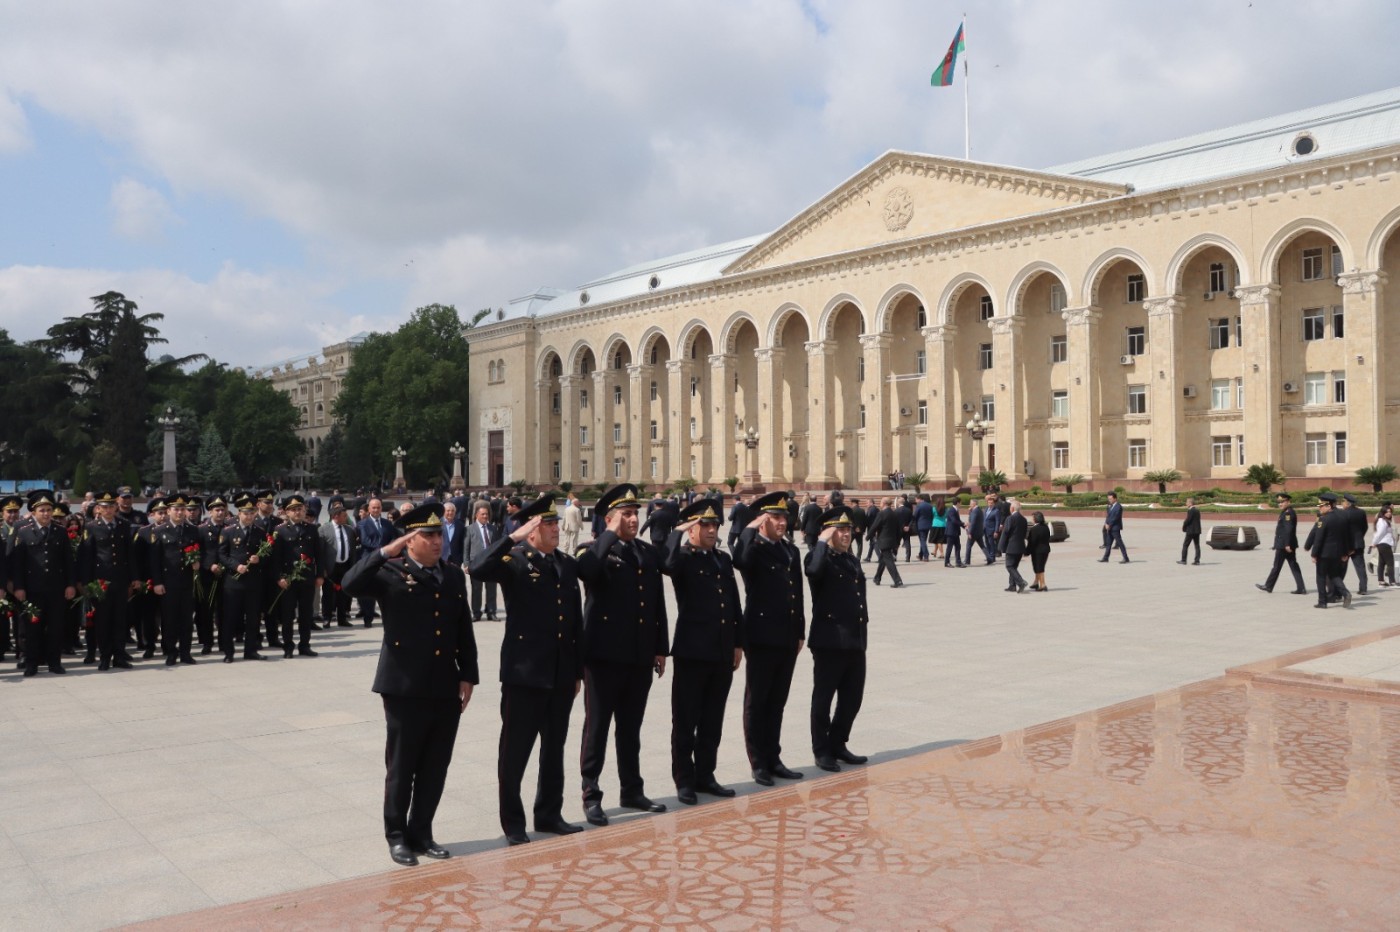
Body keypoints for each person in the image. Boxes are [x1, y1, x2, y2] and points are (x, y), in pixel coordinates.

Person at [342, 502, 479, 867]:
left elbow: (463, 628)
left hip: (444, 684)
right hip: (403, 685)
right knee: (403, 765)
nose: (438, 542)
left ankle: (422, 831)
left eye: (439, 535)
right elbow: (349, 583)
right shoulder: (390, 572)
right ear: (411, 540)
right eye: (429, 536)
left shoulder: (451, 576)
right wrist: (384, 550)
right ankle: (397, 835)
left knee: (436, 764)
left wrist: (468, 673)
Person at [469, 494, 584, 847]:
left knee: (554, 750)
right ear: (532, 531)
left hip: (560, 674)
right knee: (515, 752)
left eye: (554, 523)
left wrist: (576, 670)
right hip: (525, 674)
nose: (555, 529)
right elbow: (477, 568)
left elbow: (574, 621)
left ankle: (549, 813)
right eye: (547, 524)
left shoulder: (565, 564)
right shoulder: (516, 561)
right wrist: (511, 538)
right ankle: (513, 823)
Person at [575, 483, 670, 827]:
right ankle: (591, 793)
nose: (634, 519)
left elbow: (657, 603)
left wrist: (660, 647)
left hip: (638, 656)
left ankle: (632, 788)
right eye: (626, 514)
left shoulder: (645, 553)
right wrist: (608, 536)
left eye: (635, 513)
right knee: (597, 728)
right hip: (603, 658)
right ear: (610, 518)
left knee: (630, 728)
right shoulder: (594, 549)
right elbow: (586, 573)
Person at [662, 498, 743, 806]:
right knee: (685, 720)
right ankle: (684, 780)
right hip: (692, 652)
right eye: (705, 525)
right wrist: (676, 533)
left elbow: (734, 603)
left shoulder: (721, 559)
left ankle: (705, 775)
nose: (711, 530)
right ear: (692, 528)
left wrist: (738, 643)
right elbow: (665, 564)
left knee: (712, 719)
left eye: (714, 525)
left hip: (722, 650)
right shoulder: (683, 558)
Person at [731, 492, 805, 787]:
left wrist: (800, 630)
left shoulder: (790, 551)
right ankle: (758, 761)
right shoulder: (755, 548)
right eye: (775, 517)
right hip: (761, 636)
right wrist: (750, 528)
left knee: (777, 701)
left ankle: (774, 757)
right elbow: (739, 559)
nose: (782, 522)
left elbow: (797, 594)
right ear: (762, 521)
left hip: (787, 636)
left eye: (784, 517)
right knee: (757, 701)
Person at [805, 505, 868, 773]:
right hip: (829, 641)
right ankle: (822, 751)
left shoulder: (851, 560)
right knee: (823, 699)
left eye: (848, 529)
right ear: (828, 531)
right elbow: (813, 571)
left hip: (855, 640)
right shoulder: (818, 558)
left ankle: (838, 742)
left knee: (852, 699)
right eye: (839, 529)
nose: (846, 534)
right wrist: (820, 541)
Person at [11, 489, 77, 676]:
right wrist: (19, 587)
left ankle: (54, 663)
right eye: (42, 510)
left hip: (56, 589)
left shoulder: (60, 531)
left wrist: (71, 584)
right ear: (33, 512)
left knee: (56, 628)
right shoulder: (23, 532)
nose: (46, 514)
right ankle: (31, 664)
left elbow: (68, 562)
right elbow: (17, 564)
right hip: (32, 590)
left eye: (49, 510)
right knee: (33, 628)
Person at [150, 493, 202, 666]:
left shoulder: (193, 530)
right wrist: (157, 582)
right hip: (168, 582)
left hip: (187, 582)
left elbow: (200, 552)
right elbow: (155, 560)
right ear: (169, 511)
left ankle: (186, 652)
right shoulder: (159, 531)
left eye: (182, 509)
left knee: (187, 619)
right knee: (169, 619)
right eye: (176, 509)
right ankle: (171, 651)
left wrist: (197, 563)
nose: (180, 513)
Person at [220, 494, 270, 661]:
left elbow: (267, 555)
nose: (249, 516)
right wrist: (236, 566)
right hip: (233, 582)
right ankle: (229, 652)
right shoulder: (228, 531)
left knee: (253, 618)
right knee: (231, 618)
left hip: (253, 582)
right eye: (245, 513)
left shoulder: (260, 532)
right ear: (239, 514)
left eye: (252, 513)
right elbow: (222, 555)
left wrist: (259, 559)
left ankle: (251, 650)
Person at [272, 494, 323, 658]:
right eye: (293, 510)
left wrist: (320, 575)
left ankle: (304, 645)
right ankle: (288, 646)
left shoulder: (312, 529)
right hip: (288, 580)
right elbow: (276, 558)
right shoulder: (280, 530)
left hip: (307, 579)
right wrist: (279, 577)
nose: (298, 513)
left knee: (306, 614)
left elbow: (319, 555)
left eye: (300, 509)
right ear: (287, 512)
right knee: (287, 615)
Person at [317, 502, 360, 627]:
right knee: (328, 594)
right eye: (344, 515)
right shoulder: (323, 529)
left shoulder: (349, 529)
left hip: (345, 566)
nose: (346, 518)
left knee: (343, 593)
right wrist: (322, 569)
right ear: (336, 516)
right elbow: (320, 551)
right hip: (330, 568)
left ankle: (342, 618)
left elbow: (352, 549)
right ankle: (327, 618)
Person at [1257, 492, 1308, 596]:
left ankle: (1268, 586)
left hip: (1285, 545)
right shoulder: (1286, 512)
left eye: (1282, 502)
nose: (1280, 504)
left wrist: (1287, 544)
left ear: (1288, 502)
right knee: (1294, 565)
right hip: (1286, 543)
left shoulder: (1288, 513)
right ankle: (1301, 588)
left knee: (1277, 566)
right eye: (1279, 502)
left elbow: (1288, 530)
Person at [355, 497, 396, 627]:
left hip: (386, 561)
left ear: (381, 508)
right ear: (369, 509)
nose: (376, 510)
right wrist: (382, 549)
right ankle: (368, 616)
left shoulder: (387, 524)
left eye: (378, 507)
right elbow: (365, 541)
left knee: (386, 589)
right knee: (369, 590)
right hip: (369, 560)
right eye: (373, 507)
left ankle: (388, 617)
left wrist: (388, 550)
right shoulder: (362, 524)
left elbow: (393, 539)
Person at [1308, 494, 1351, 609]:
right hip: (1337, 553)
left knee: (1321, 577)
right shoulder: (1342, 517)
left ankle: (1322, 601)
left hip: (1324, 554)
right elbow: (1346, 536)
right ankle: (1345, 593)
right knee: (1334, 575)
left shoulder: (1324, 519)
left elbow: (1319, 538)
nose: (1319, 508)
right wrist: (1345, 553)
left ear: (1328, 506)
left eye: (1321, 505)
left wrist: (1314, 553)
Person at [463, 503, 500, 621]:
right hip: (476, 564)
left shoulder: (493, 528)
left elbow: (496, 546)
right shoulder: (469, 529)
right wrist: (466, 564)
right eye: (483, 514)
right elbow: (466, 548)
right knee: (476, 589)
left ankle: (491, 612)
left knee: (491, 589)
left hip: (491, 564)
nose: (485, 516)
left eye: (487, 514)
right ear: (476, 515)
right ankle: (476, 613)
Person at [868, 497, 904, 588]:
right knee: (883, 559)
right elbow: (899, 529)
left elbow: (875, 526)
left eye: (880, 502)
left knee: (889, 561)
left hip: (884, 541)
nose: (879, 504)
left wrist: (868, 536)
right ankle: (877, 578)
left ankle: (897, 580)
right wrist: (898, 542)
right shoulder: (894, 513)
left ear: (883, 503)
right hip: (892, 541)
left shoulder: (881, 514)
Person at [1340, 493, 1368, 594]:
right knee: (1360, 567)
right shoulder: (1361, 512)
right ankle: (1363, 588)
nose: (1342, 504)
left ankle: (1339, 588)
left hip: (1347, 545)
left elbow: (1343, 531)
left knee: (1342, 568)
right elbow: (1365, 527)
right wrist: (1359, 537)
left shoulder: (1343, 513)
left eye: (1343, 502)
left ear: (1347, 503)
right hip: (1359, 543)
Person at [999, 500, 1030, 593]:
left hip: (1011, 547)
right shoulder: (1024, 519)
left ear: (1012, 509)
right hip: (1020, 546)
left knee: (1009, 566)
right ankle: (1012, 586)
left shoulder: (1010, 518)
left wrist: (1000, 546)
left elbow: (1006, 532)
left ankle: (1021, 582)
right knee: (1014, 566)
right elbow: (1025, 534)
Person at [1099, 491, 1129, 563]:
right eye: (1108, 499)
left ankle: (1126, 558)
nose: (1109, 500)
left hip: (1115, 528)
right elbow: (1108, 516)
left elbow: (1115, 517)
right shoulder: (1110, 506)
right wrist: (1106, 523)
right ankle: (1105, 558)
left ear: (1115, 499)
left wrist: (1109, 524)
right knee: (1108, 544)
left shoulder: (1118, 507)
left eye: (1111, 499)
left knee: (1120, 543)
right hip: (1109, 528)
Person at [1027, 511, 1052, 591]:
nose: (1032, 519)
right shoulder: (1046, 527)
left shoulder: (1034, 529)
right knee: (1040, 566)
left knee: (1038, 568)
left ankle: (1043, 584)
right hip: (1046, 550)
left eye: (1033, 518)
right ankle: (1036, 582)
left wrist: (1026, 552)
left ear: (1035, 519)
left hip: (1037, 551)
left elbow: (1032, 542)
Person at [1372, 503, 1395, 588]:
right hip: (1384, 544)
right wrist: (1374, 542)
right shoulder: (1382, 522)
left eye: (1390, 512)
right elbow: (1379, 534)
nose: (1389, 513)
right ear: (1383, 513)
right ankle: (1392, 582)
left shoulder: (1384, 521)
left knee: (1381, 563)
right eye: (1387, 512)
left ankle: (1381, 581)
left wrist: (1375, 543)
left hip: (1382, 544)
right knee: (1390, 563)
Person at [440, 501, 465, 568]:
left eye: (452, 511)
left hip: (455, 561)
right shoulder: (437, 524)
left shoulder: (460, 525)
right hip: (440, 559)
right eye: (448, 511)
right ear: (443, 511)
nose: (450, 513)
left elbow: (462, 544)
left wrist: (460, 560)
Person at [1178, 497, 1202, 565]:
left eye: (1187, 502)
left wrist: (1184, 526)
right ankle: (1197, 561)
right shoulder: (1197, 510)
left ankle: (1183, 560)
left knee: (1185, 545)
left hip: (1191, 531)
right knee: (1197, 545)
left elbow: (1188, 520)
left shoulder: (1190, 510)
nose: (1186, 503)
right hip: (1197, 531)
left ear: (1190, 503)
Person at [943, 497, 964, 567]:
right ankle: (947, 562)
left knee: (958, 546)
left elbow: (957, 520)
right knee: (950, 547)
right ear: (958, 503)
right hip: (951, 532)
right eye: (960, 502)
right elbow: (954, 521)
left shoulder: (955, 510)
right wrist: (963, 524)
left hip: (955, 532)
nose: (961, 504)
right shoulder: (952, 510)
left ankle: (958, 562)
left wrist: (964, 526)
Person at [981, 493, 1002, 565]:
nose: (990, 504)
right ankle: (989, 556)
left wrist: (996, 531)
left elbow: (997, 522)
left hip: (992, 530)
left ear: (994, 503)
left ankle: (992, 557)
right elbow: (984, 519)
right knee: (987, 543)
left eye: (991, 503)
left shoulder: (996, 511)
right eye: (989, 503)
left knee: (991, 544)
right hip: (985, 529)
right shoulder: (985, 509)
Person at [914, 495, 934, 562]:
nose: (915, 501)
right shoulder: (930, 505)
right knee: (923, 540)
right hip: (928, 525)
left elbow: (915, 515)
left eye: (916, 500)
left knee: (922, 540)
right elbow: (932, 515)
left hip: (921, 525)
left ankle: (926, 555)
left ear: (920, 499)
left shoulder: (919, 506)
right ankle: (920, 555)